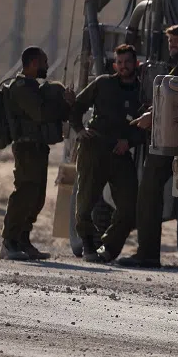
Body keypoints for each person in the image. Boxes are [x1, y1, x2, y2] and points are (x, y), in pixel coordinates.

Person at [117, 24, 178, 268]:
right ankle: (148, 252)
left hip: (173, 137)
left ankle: (147, 253)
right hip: (175, 135)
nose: (172, 44)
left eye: (176, 40)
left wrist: (150, 117)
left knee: (148, 192)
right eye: (170, 40)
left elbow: (175, 99)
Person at [70, 44, 145, 263]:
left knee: (128, 207)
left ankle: (109, 249)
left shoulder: (142, 92)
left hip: (120, 153)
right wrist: (79, 130)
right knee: (85, 203)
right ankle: (88, 245)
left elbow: (148, 126)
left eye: (128, 62)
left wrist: (129, 141)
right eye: (120, 63)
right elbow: (77, 106)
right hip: (95, 148)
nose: (124, 66)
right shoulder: (103, 83)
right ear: (115, 65)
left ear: (136, 64)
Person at [1, 46, 75, 261]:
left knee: (37, 197)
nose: (47, 66)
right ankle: (9, 242)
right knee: (24, 192)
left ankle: (23, 240)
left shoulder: (33, 87)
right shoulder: (22, 87)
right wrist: (64, 104)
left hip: (38, 146)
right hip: (26, 147)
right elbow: (40, 113)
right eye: (44, 61)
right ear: (33, 63)